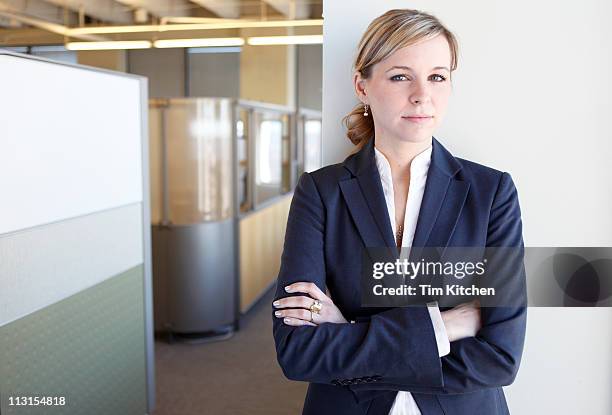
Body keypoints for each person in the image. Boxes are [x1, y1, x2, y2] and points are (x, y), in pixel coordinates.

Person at [272, 8, 526, 415]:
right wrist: (447, 325)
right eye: (400, 76)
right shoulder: (320, 192)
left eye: (437, 76)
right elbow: (298, 352)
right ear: (362, 85)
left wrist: (349, 332)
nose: (422, 94)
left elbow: (500, 355)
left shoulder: (491, 193)